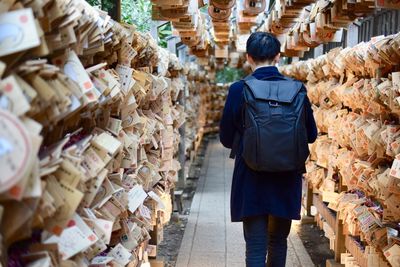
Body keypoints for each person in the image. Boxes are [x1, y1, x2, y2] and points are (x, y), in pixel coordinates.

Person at [219, 32, 318, 267]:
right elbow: (311, 135)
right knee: (278, 241)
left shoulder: (238, 89)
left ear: (248, 57)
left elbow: (225, 137)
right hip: (286, 175)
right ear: (278, 56)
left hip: (251, 176)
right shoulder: (297, 89)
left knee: (255, 245)